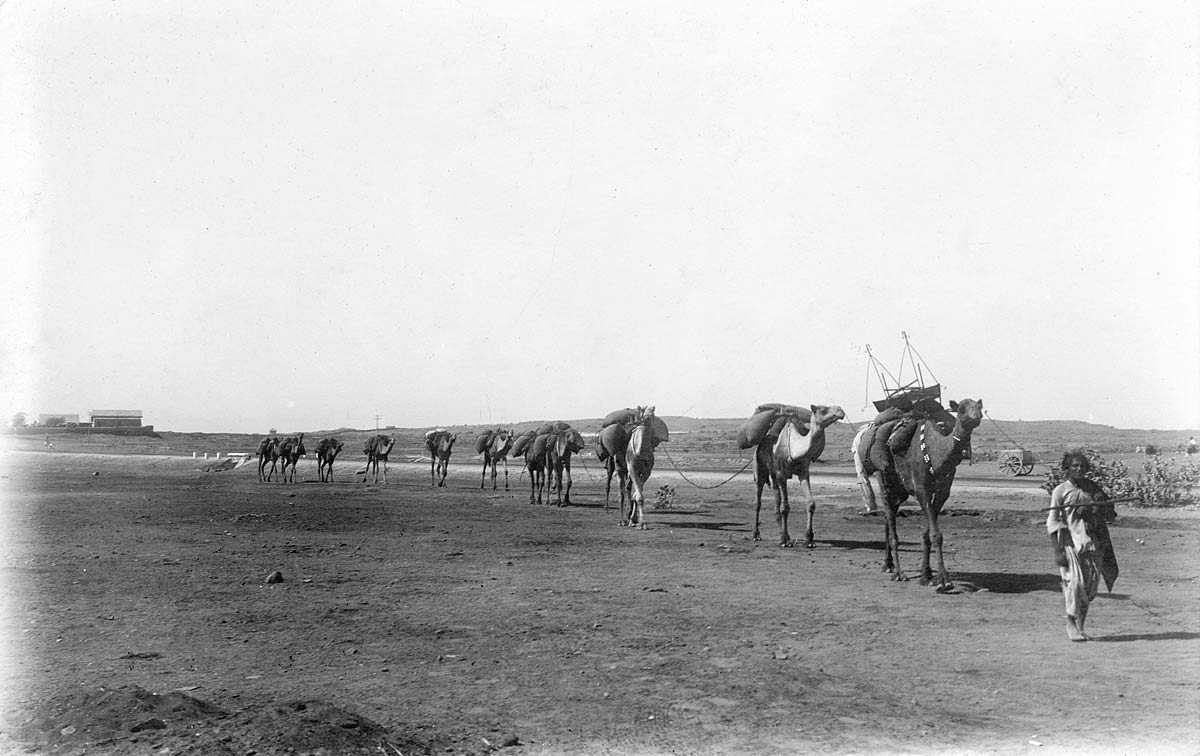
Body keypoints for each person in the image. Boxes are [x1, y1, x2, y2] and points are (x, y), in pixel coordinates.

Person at [1046, 451, 1119, 641]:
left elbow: (1110, 515)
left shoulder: (1094, 489)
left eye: (1082, 466)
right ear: (1067, 468)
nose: (1079, 469)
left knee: (1090, 588)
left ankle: (1081, 626)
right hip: (1070, 542)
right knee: (1074, 584)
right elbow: (1052, 521)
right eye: (1074, 466)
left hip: (1093, 543)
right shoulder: (1061, 491)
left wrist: (1100, 508)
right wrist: (1058, 548)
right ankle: (1070, 623)